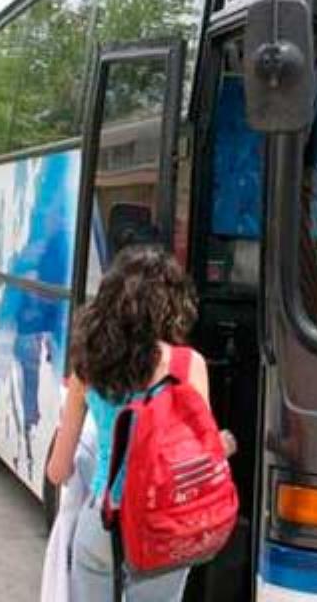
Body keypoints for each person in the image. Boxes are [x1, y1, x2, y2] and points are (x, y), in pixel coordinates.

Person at [46, 246, 230, 602]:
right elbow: (206, 455)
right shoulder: (188, 364)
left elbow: (57, 471)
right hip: (164, 525)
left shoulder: (88, 365)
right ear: (171, 304)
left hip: (103, 521)